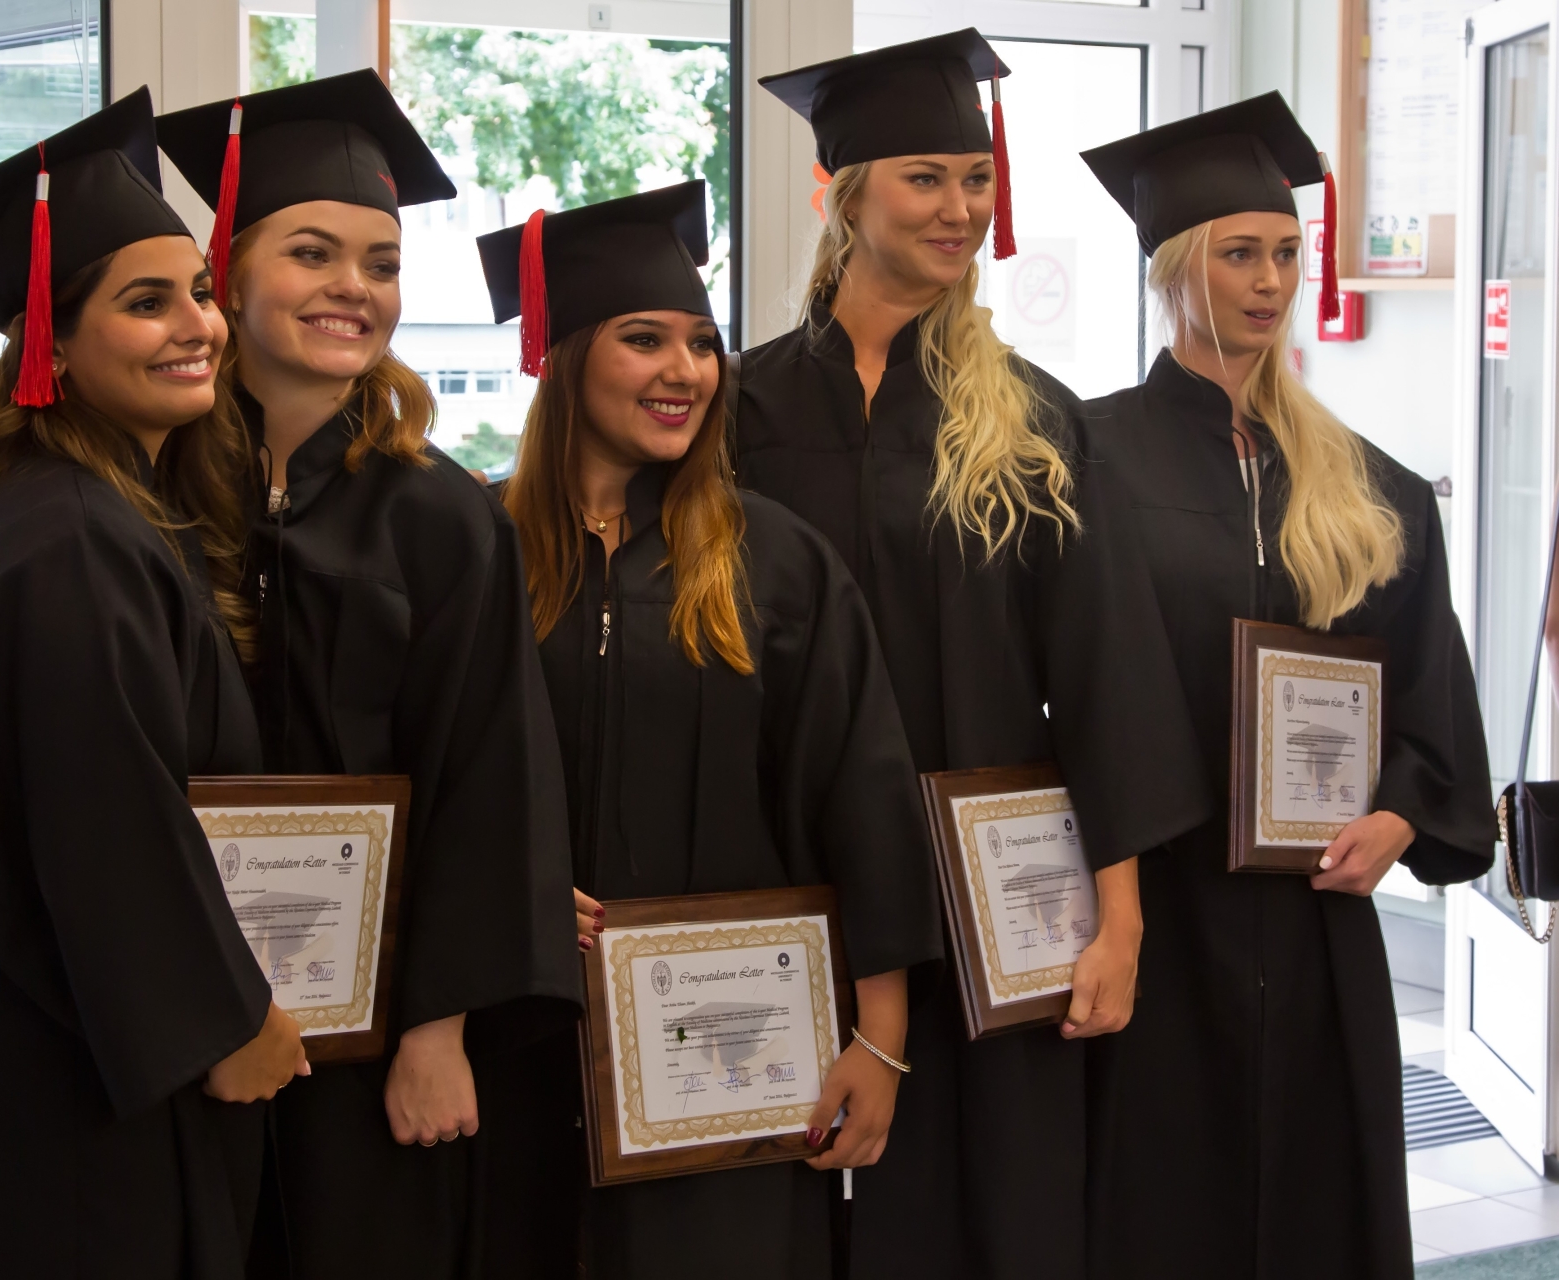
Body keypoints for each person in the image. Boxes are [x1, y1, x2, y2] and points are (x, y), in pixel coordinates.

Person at [735, 31, 1211, 1279]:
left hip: (992, 895)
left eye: (976, 178)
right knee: (789, 1193)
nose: (959, 208)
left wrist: (1120, 920)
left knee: (997, 1199)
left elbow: (1107, 673)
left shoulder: (1033, 416)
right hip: (788, 865)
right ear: (846, 194)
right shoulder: (742, 408)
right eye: (926, 178)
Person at [0, 89, 306, 1280]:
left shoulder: (73, 506)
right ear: (52, 342)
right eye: (146, 302)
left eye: (199, 290)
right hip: (62, 1095)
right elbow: (103, 823)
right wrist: (230, 1018)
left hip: (12, 1065)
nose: (198, 324)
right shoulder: (76, 537)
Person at [153, 73, 584, 1279]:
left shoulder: (441, 517)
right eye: (312, 252)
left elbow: (486, 782)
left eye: (381, 263)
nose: (355, 286)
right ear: (226, 271)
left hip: (373, 1031)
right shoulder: (142, 495)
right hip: (174, 1012)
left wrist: (438, 1029)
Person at [476, 179, 938, 1280]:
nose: (684, 370)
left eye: (701, 343)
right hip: (517, 1034)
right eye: (644, 339)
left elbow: (862, 794)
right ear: (566, 358)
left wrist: (880, 1039)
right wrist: (508, 887)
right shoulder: (478, 549)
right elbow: (432, 779)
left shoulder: (775, 562)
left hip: (732, 1050)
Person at [1076, 93, 1496, 1279]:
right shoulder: (1084, 457)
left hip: (1317, 920)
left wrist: (1402, 811)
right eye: (1238, 254)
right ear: (1174, 267)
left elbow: (1429, 686)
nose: (1269, 281)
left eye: (1286, 253)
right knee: (1160, 1207)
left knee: (1317, 1208)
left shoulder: (1368, 483)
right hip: (1155, 908)